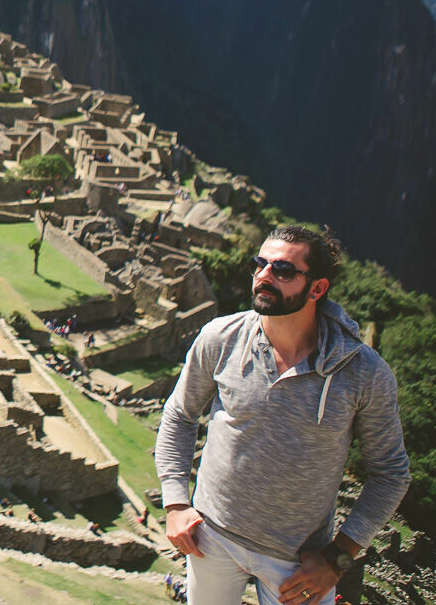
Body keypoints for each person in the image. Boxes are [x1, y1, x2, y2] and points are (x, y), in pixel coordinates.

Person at [155, 225, 409, 605]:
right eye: (260, 264)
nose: (264, 276)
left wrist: (338, 558)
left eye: (283, 270)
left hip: (298, 561)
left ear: (317, 288)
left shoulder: (363, 373)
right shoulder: (221, 338)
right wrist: (175, 503)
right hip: (211, 540)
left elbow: (390, 474)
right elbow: (179, 415)